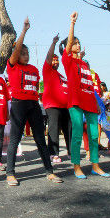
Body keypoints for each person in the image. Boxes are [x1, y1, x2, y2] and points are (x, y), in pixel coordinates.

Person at [5, 17, 61, 186]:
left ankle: (49, 171)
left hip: (33, 105)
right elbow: (16, 51)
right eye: (22, 53)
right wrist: (24, 31)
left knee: (40, 139)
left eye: (27, 53)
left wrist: (52, 43)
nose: (26, 55)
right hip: (18, 104)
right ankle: (10, 173)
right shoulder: (13, 65)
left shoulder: (34, 69)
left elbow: (48, 60)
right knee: (15, 139)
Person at [60, 12, 109, 179]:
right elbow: (68, 46)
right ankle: (77, 166)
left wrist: (96, 103)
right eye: (75, 43)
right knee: (77, 135)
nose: (77, 44)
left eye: (79, 43)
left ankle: (95, 165)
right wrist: (72, 23)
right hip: (75, 102)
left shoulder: (83, 63)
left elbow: (89, 83)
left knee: (95, 135)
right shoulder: (68, 60)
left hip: (90, 102)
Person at [42, 34, 71, 163]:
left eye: (57, 60)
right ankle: (53, 154)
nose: (55, 61)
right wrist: (54, 43)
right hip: (53, 106)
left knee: (69, 129)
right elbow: (49, 57)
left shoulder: (62, 76)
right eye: (53, 60)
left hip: (66, 106)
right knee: (54, 130)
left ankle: (72, 152)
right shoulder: (47, 70)